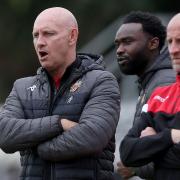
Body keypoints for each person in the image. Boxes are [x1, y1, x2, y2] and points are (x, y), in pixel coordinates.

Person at [0, 7, 120, 180]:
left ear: (72, 36)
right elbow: (5, 135)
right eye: (36, 35)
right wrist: (59, 123)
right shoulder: (22, 87)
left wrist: (38, 147)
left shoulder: (102, 82)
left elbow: (92, 137)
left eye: (48, 34)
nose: (40, 42)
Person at [114, 11, 175, 179]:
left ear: (153, 43)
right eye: (117, 44)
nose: (119, 50)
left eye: (127, 42)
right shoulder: (151, 81)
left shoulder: (165, 83)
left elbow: (174, 156)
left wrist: (135, 169)